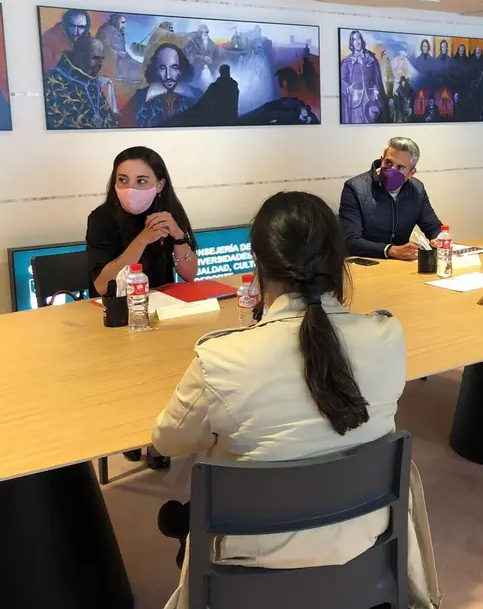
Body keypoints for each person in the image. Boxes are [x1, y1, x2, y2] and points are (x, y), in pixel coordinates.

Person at [152, 191, 439, 609]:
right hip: (365, 543)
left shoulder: (221, 357)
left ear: (260, 268)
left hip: (251, 568)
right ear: (339, 261)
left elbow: (167, 442)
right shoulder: (386, 335)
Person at [86, 146, 198, 471]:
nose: (130, 188)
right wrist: (144, 239)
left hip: (161, 314)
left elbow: (190, 274)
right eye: (123, 180)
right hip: (118, 315)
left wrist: (178, 236)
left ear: (159, 185)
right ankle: (136, 434)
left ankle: (159, 440)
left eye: (140, 180)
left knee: (172, 366)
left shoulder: (170, 212)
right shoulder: (102, 218)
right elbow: (103, 284)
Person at [338, 137, 443, 260]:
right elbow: (350, 240)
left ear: (411, 173)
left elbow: (433, 227)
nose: (391, 170)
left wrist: (439, 238)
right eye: (388, 163)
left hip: (400, 264)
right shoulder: (355, 188)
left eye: (400, 167)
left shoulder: (417, 189)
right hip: (365, 262)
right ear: (381, 160)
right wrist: (390, 250)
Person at [43, 36, 118, 129]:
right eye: (96, 58)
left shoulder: (92, 81)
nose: (100, 63)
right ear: (80, 56)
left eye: (102, 59)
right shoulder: (52, 80)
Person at [125, 43, 197, 127]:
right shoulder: (140, 98)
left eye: (174, 68)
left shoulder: (196, 96)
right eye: (162, 68)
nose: (168, 76)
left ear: (181, 70)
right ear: (156, 71)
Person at [340, 30, 388, 124]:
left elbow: (377, 80)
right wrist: (349, 89)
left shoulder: (371, 59)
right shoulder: (347, 62)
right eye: (354, 39)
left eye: (359, 38)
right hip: (355, 103)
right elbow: (341, 81)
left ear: (362, 40)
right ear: (352, 43)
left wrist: (376, 89)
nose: (357, 42)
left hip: (370, 101)